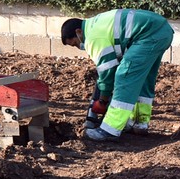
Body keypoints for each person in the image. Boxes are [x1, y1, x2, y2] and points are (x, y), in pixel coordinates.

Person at [60, 9, 174, 142]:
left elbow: (108, 71)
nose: (78, 46)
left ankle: (110, 129)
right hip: (161, 30)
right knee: (143, 79)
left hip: (149, 35)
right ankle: (139, 123)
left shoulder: (92, 38)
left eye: (74, 43)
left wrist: (103, 100)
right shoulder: (96, 24)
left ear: (78, 32)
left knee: (125, 75)